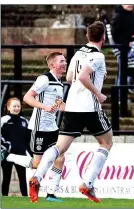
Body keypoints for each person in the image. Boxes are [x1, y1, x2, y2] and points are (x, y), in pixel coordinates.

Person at [27, 21, 112, 204]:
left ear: (88, 37)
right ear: (103, 37)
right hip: (89, 106)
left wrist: (97, 76)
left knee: (59, 148)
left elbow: (69, 77)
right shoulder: (98, 56)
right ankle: (88, 183)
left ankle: (38, 177)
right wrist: (98, 93)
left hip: (72, 106)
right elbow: (81, 77)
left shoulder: (78, 53)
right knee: (106, 142)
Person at [23, 52, 67, 202]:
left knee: (60, 158)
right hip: (39, 126)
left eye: (65, 61)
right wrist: (44, 107)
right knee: (37, 163)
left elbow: (59, 105)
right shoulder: (44, 79)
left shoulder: (60, 83)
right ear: (52, 65)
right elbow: (27, 97)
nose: (65, 63)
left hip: (52, 127)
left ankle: (51, 194)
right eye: (61, 61)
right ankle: (15, 160)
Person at [1, 97, 29, 196]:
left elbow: (28, 139)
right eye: (14, 106)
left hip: (21, 155)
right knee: (6, 178)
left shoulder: (24, 121)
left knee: (23, 178)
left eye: (18, 106)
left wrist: (30, 153)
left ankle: (25, 198)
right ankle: (4, 198)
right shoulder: (3, 120)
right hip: (7, 155)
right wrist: (6, 146)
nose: (16, 108)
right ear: (8, 107)